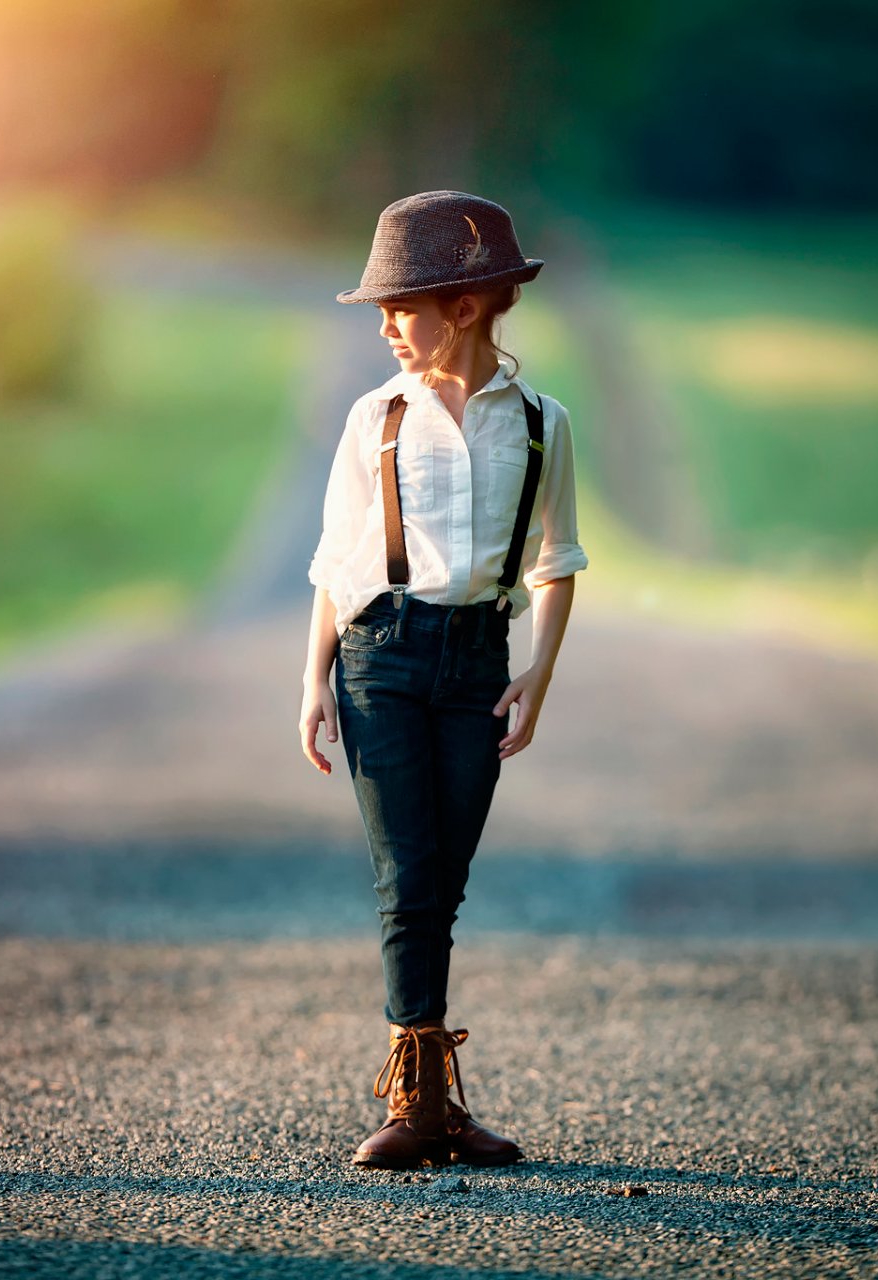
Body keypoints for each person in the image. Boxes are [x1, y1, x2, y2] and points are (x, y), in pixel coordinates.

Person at [297, 191, 589, 1170]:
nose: (385, 326)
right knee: (407, 878)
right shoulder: (374, 417)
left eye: (400, 307)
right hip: (378, 657)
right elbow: (336, 560)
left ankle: (431, 1103)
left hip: (477, 666)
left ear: (462, 308)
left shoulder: (543, 424)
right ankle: (418, 1098)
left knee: (444, 880)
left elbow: (557, 559)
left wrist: (539, 671)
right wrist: (312, 681)